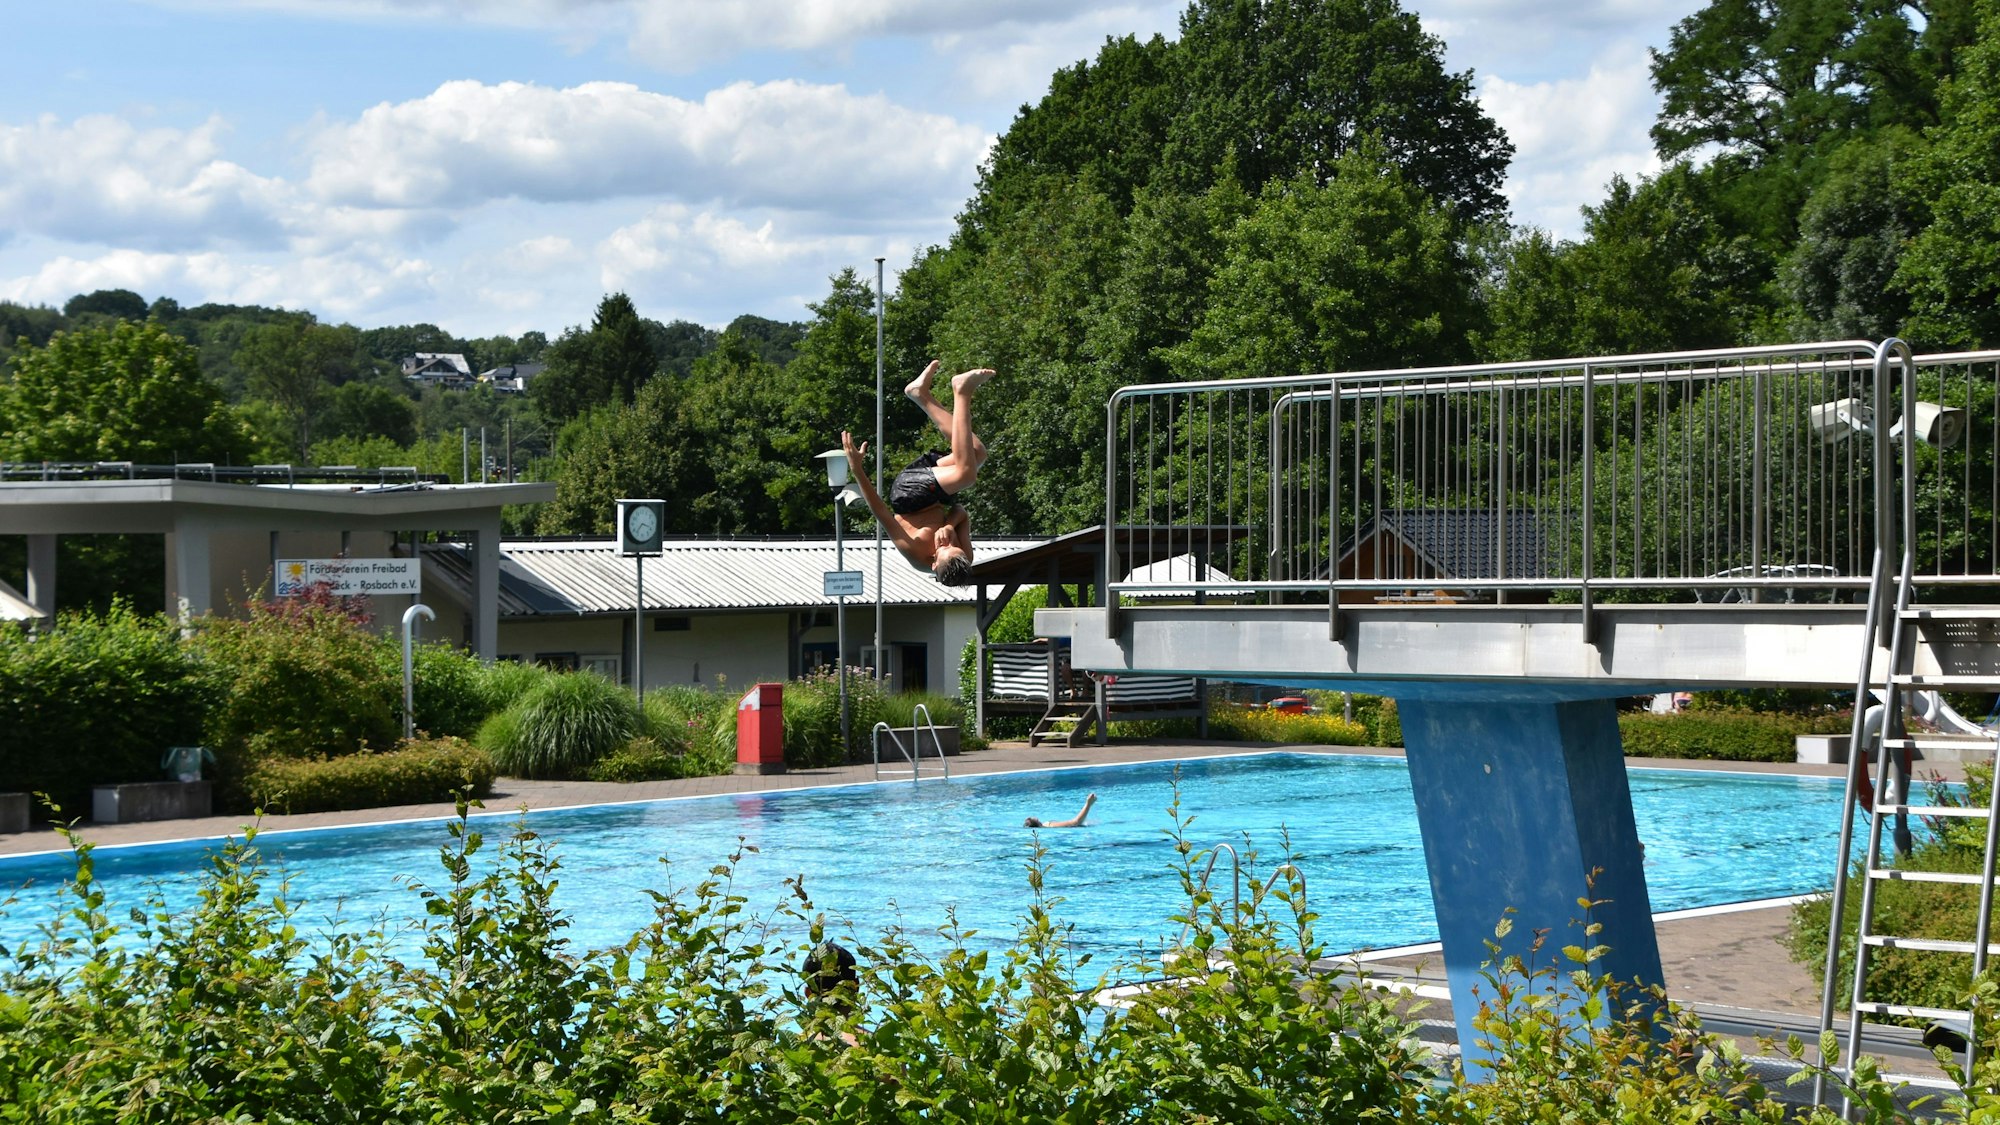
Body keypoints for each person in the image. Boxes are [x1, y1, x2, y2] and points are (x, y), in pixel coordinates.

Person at [841, 360, 997, 586]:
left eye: (944, 549)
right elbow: (960, 511)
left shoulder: (914, 552)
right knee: (976, 453)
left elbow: (881, 513)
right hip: (934, 494)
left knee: (966, 474)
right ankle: (919, 393)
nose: (949, 544)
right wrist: (949, 526)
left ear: (933, 563)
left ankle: (962, 391)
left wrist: (857, 468)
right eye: (955, 548)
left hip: (908, 494)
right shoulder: (965, 556)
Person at [1025, 792, 1096, 829]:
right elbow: (1076, 822)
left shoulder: (1047, 825)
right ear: (1037, 821)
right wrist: (1088, 803)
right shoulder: (1049, 825)